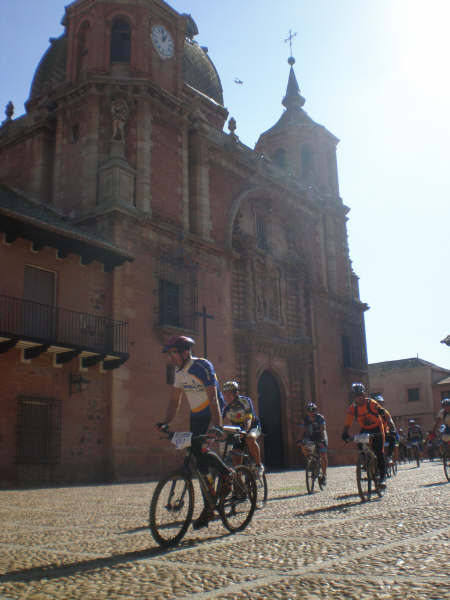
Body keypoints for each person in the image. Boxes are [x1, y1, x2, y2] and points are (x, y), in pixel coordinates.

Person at [156, 335, 231, 529]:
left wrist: (217, 426)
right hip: (196, 415)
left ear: (184, 352)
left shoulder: (203, 366)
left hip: (212, 411)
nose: (170, 358)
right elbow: (175, 400)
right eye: (169, 354)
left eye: (172, 353)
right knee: (198, 460)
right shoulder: (179, 372)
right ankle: (209, 506)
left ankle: (226, 474)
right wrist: (165, 422)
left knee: (201, 450)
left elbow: (213, 397)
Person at [342, 382, 387, 487]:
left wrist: (380, 411)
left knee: (379, 453)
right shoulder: (353, 408)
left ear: (364, 394)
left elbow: (380, 409)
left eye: (361, 395)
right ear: (353, 397)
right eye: (356, 396)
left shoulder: (371, 403)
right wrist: (345, 433)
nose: (359, 398)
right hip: (365, 429)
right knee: (360, 445)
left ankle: (383, 478)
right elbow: (348, 423)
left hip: (377, 429)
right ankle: (364, 461)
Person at [221, 380, 264, 476]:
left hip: (252, 426)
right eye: (225, 394)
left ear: (236, 394)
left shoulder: (244, 401)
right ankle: (240, 486)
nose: (227, 397)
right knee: (236, 458)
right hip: (239, 432)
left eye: (229, 394)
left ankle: (258, 465)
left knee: (250, 439)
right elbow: (219, 422)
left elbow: (249, 419)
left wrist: (245, 431)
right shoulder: (226, 408)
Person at [297, 402, 328, 485]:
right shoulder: (304, 419)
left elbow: (323, 428)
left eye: (313, 410)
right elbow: (301, 431)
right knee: (303, 445)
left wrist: (320, 439)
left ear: (316, 411)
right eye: (309, 411)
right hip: (310, 436)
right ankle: (310, 459)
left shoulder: (320, 418)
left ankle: (324, 475)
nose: (311, 413)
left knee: (323, 455)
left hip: (320, 436)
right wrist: (299, 441)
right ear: (307, 412)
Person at [372, 395, 398, 463]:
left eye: (380, 403)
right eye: (377, 403)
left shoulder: (385, 413)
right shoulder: (370, 412)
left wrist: (393, 430)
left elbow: (390, 421)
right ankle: (368, 460)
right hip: (373, 433)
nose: (379, 404)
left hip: (384, 433)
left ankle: (389, 456)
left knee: (392, 438)